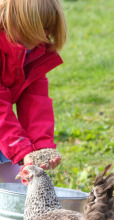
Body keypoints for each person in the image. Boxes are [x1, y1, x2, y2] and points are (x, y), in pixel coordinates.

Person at [0, 0, 67, 182]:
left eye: (48, 28)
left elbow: (35, 101)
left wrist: (41, 146)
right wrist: (22, 149)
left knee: (18, 182)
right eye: (39, 27)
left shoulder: (32, 52)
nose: (44, 35)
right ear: (13, 19)